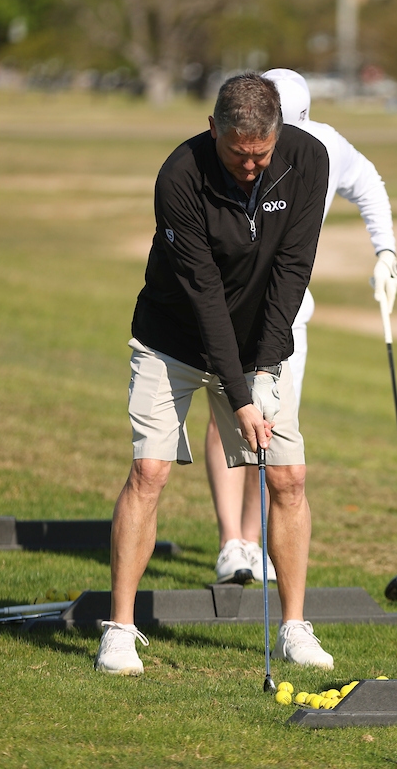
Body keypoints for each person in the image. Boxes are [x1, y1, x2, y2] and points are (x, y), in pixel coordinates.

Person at [94, 72, 335, 675]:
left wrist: (264, 370)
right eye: (237, 154)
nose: (249, 168)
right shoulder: (179, 175)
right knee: (149, 471)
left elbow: (293, 271)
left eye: (261, 155)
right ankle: (119, 631)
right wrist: (240, 396)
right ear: (212, 129)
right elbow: (204, 297)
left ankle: (295, 629)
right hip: (171, 340)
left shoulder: (308, 160)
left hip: (257, 345)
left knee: (289, 478)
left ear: (279, 134)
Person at [204, 68, 397, 585]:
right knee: (228, 415)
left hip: (289, 314)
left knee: (269, 425)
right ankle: (231, 542)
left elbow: (369, 185)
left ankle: (253, 543)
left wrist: (386, 252)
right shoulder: (236, 150)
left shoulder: (323, 146)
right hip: (227, 307)